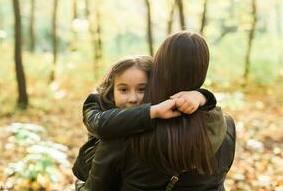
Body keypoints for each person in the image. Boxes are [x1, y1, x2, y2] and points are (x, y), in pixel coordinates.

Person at [79, 31, 236, 191]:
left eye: (141, 89)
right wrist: (202, 95)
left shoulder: (126, 131)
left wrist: (78, 185)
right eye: (124, 89)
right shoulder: (225, 126)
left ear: (158, 71)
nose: (133, 98)